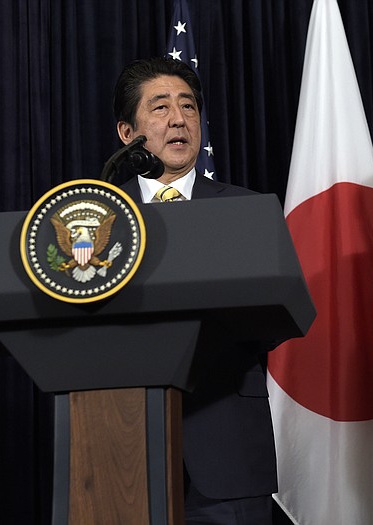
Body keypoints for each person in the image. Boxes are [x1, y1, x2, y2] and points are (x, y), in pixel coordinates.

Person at [112, 57, 276, 524]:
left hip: (227, 446)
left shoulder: (247, 212)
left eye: (188, 106)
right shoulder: (100, 214)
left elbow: (271, 317)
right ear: (128, 134)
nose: (180, 119)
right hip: (124, 443)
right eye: (160, 108)